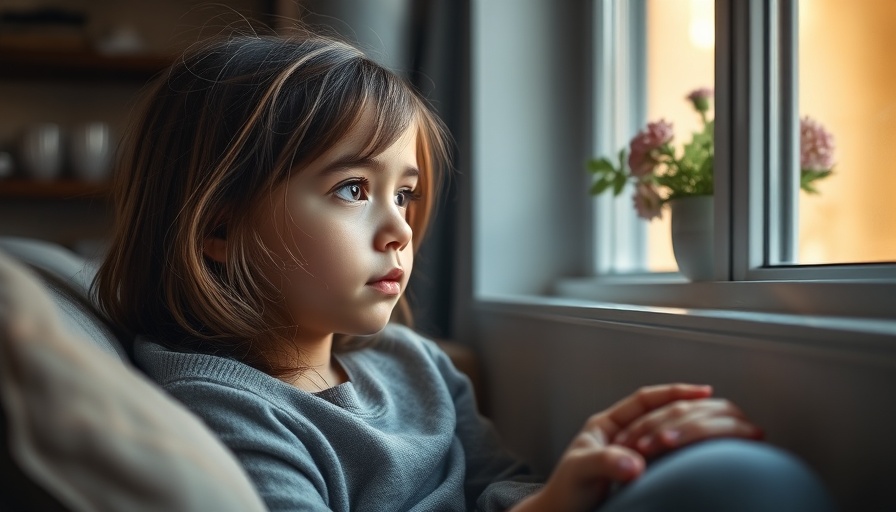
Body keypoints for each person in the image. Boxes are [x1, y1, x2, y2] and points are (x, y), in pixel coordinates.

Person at [93, 31, 836, 512]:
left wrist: (597, 464)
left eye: (406, 194)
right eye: (353, 190)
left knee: (734, 474)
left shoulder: (412, 363)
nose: (399, 229)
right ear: (217, 226)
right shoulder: (226, 416)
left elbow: (495, 482)